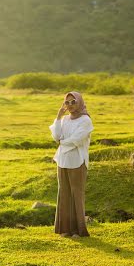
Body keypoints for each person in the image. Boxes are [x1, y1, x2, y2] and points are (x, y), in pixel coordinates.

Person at [49, 91, 93, 238]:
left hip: (77, 161)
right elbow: (56, 136)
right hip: (62, 160)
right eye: (67, 102)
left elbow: (77, 140)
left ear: (79, 102)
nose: (70, 105)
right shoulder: (65, 119)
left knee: (76, 194)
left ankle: (78, 230)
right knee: (64, 193)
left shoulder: (85, 120)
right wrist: (58, 117)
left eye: (73, 101)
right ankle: (65, 229)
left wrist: (62, 142)